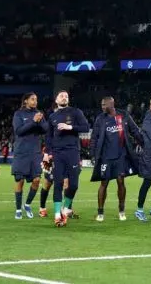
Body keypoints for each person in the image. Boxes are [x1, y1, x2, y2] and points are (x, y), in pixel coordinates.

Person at [91, 96, 141, 222]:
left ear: (111, 104)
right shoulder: (100, 119)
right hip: (106, 157)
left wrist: (145, 143)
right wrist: (93, 154)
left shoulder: (123, 115)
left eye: (104, 104)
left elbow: (135, 130)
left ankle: (121, 210)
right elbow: (94, 137)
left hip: (121, 156)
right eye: (101, 105)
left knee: (120, 182)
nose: (102, 107)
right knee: (104, 183)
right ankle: (100, 212)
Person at [46, 90, 90, 227]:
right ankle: (57, 215)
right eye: (61, 96)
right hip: (58, 153)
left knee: (74, 184)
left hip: (72, 151)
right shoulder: (52, 116)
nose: (64, 97)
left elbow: (86, 127)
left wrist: (69, 127)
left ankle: (65, 208)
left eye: (66, 96)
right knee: (58, 183)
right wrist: (47, 153)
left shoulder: (76, 112)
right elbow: (49, 137)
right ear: (56, 100)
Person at [12, 92, 49, 219]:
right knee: (20, 180)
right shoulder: (18, 114)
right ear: (26, 101)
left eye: (36, 99)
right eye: (32, 99)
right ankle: (18, 209)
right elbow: (19, 131)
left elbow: (45, 129)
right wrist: (33, 122)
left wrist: (38, 122)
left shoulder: (39, 114)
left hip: (35, 152)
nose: (35, 101)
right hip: (21, 151)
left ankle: (27, 204)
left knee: (37, 180)